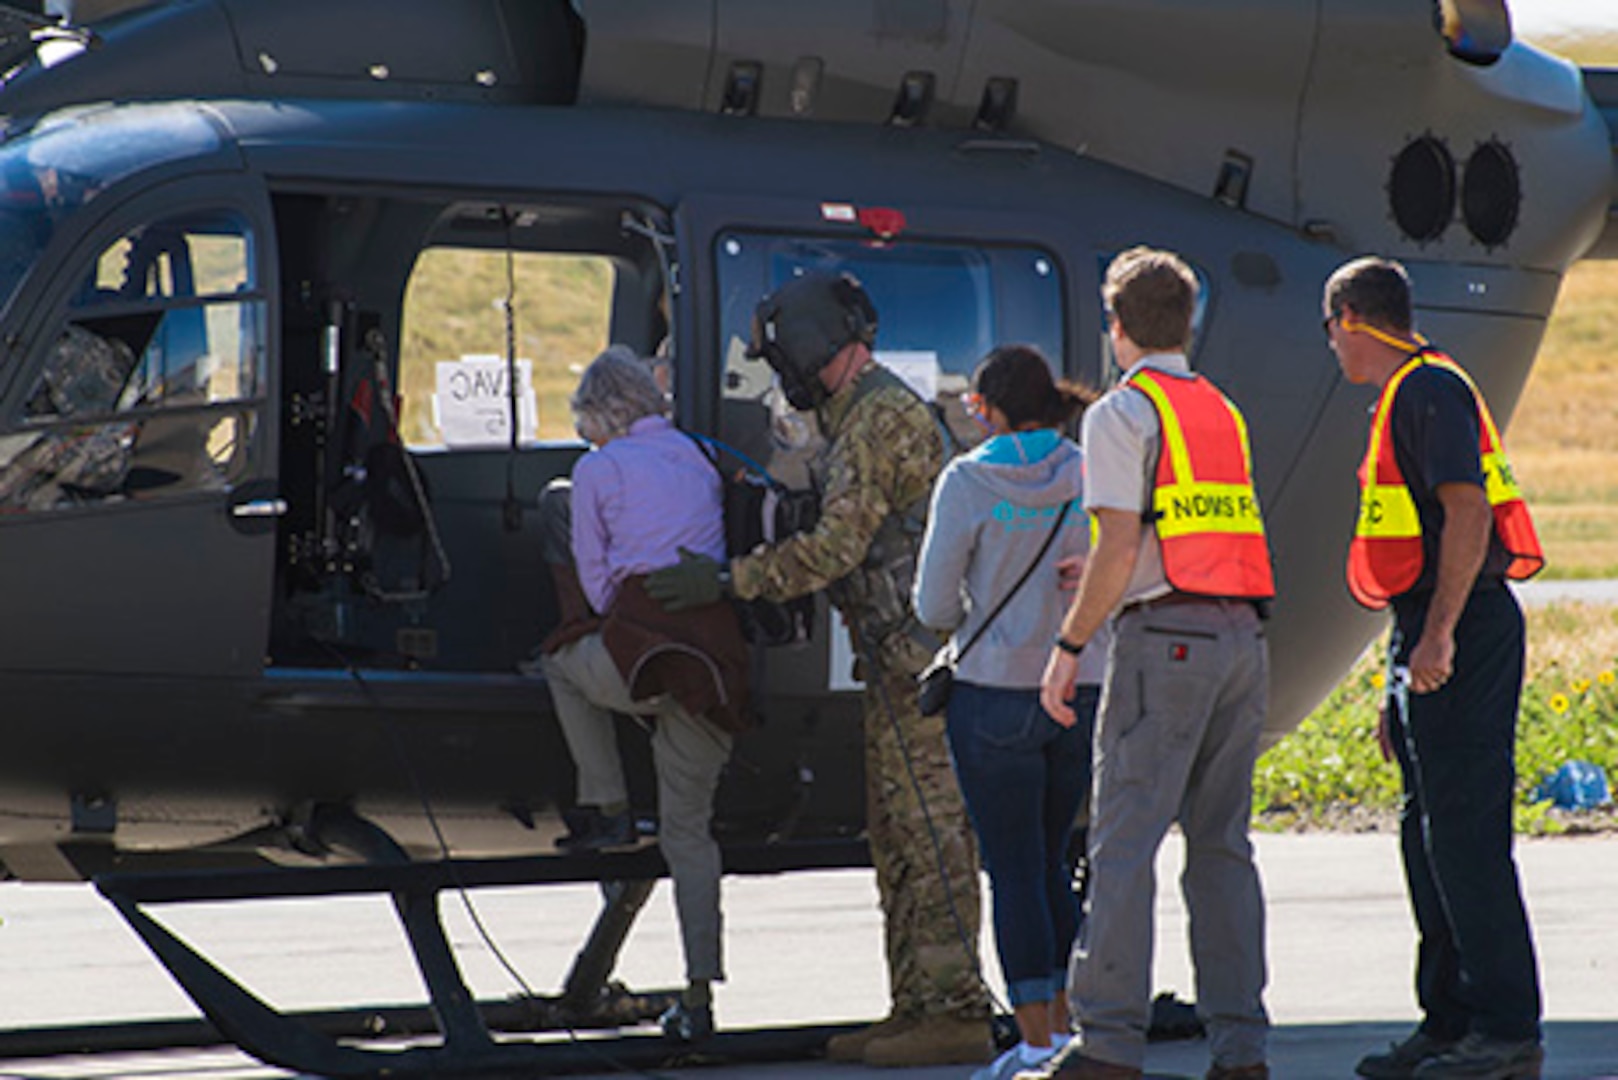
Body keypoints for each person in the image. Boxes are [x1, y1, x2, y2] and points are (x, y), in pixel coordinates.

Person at [646, 271, 993, 1067]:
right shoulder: (863, 416)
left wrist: (730, 579)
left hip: (916, 664)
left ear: (811, 354)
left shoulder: (874, 421)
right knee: (896, 836)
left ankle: (956, 1009)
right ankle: (915, 1006)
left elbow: (836, 549)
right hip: (897, 661)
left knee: (929, 836)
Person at [1028, 247, 1275, 1080]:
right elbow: (1186, 528)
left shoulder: (1120, 413)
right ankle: (1241, 1051)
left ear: (1118, 326)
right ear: (1190, 323)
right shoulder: (1220, 409)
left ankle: (1105, 1049)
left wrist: (1068, 647)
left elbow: (1120, 539)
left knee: (1124, 846)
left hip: (1164, 644)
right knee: (1221, 850)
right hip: (1242, 641)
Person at [1323, 257, 1545, 1080]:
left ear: (1349, 317)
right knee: (1428, 838)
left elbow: (1467, 512)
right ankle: (1447, 1022)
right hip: (1425, 625)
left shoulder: (1428, 389)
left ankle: (1505, 1027)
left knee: (1465, 837)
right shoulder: (1405, 396)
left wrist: (1441, 636)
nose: (1333, 351)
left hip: (1466, 625)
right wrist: (1399, 672)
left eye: (1331, 333)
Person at [535, 344, 750, 1042]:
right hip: (713, 665)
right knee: (692, 838)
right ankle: (699, 995)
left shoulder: (597, 469)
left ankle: (608, 807)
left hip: (641, 660)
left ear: (604, 413)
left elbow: (598, 586)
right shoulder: (695, 455)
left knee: (562, 667)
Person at [912, 344, 1103, 1080]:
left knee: (1015, 870)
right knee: (1055, 861)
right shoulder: (1090, 469)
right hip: (1080, 687)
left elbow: (933, 605)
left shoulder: (967, 480)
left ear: (986, 409)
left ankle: (1034, 1046)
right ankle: (1066, 1025)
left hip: (993, 694)